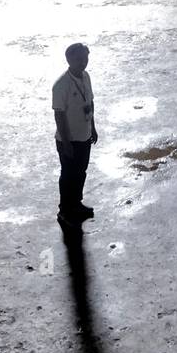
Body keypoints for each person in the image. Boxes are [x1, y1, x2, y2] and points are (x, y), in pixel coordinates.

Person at [52, 43, 98, 227]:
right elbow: (59, 115)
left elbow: (90, 103)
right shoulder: (61, 85)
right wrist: (67, 143)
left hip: (84, 136)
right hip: (68, 140)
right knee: (68, 175)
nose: (83, 62)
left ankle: (76, 204)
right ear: (69, 60)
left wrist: (92, 128)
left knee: (80, 172)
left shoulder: (86, 77)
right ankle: (64, 210)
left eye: (85, 58)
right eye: (79, 58)